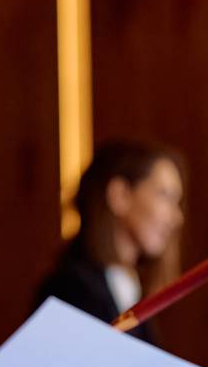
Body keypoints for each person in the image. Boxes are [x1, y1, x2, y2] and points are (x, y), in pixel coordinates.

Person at [35, 140, 186, 345]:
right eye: (164, 196)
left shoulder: (128, 286)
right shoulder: (69, 291)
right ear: (120, 195)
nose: (176, 218)